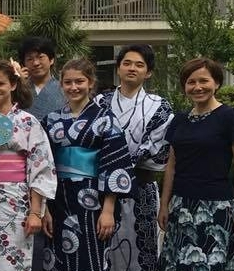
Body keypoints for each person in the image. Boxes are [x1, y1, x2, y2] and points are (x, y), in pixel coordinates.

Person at [40, 59, 134, 271]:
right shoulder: (50, 120)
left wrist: (108, 210)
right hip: (57, 198)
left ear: (90, 83)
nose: (73, 87)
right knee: (56, 255)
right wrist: (44, 208)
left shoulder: (106, 118)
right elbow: (41, 165)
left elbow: (114, 164)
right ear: (61, 85)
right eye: (68, 82)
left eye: (79, 81)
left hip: (93, 198)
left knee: (92, 255)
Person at [0, 61, 56, 270]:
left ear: (13, 85)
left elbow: (41, 167)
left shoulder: (28, 122)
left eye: (0, 84)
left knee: (16, 259)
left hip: (17, 198)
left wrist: (35, 212)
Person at [95, 44, 172, 271]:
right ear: (118, 68)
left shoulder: (159, 106)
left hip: (141, 188)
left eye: (139, 65)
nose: (132, 68)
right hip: (101, 189)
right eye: (127, 63)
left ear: (148, 72)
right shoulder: (100, 103)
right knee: (102, 250)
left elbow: (158, 149)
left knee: (143, 253)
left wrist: (117, 163)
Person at [158, 57, 234, 270]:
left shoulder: (228, 117)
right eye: (191, 82)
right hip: (180, 205)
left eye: (204, 81)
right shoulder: (179, 120)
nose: (197, 87)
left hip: (216, 206)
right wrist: (164, 204)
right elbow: (171, 165)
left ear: (216, 83)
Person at [19, 37, 64, 121]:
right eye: (30, 59)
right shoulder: (19, 89)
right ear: (23, 64)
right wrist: (19, 84)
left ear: (51, 60)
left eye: (40, 57)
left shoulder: (64, 88)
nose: (36, 63)